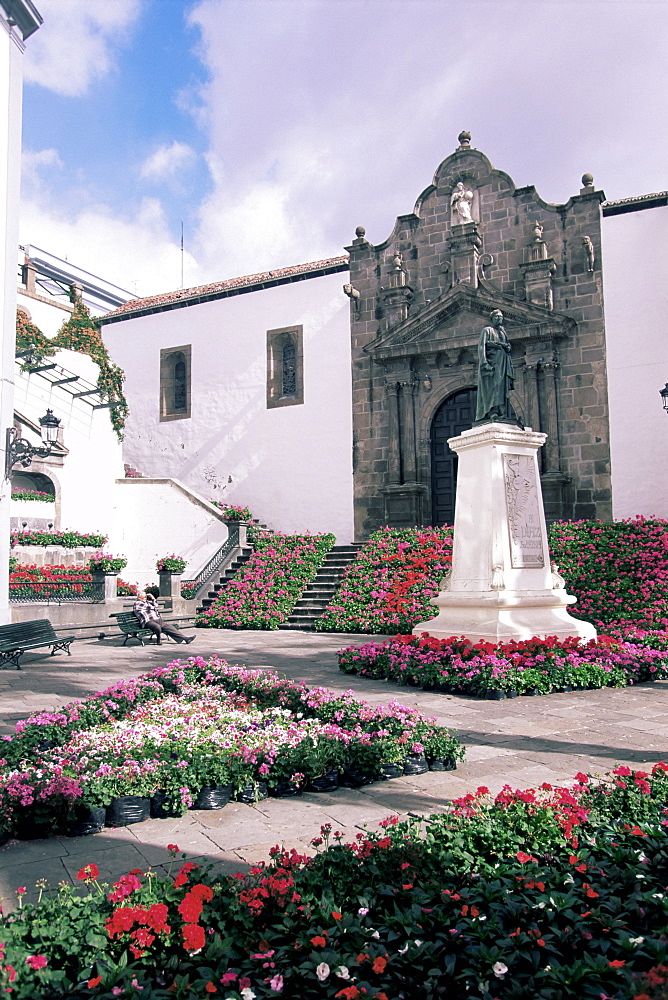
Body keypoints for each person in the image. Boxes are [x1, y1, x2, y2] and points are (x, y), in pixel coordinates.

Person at [475, 309, 516, 424]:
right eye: (497, 317)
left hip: (503, 364)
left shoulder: (503, 332)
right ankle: (492, 411)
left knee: (502, 387)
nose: (499, 319)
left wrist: (507, 348)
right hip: (493, 365)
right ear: (492, 318)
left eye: (501, 317)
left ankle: (501, 412)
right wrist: (484, 363)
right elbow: (482, 347)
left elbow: (507, 347)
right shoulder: (487, 330)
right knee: (493, 387)